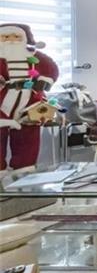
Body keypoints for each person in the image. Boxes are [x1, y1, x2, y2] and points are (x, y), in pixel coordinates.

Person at [0, 23, 59, 169]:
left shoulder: (35, 57)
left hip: (29, 104)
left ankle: (24, 170)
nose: (11, 40)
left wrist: (45, 81)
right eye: (6, 37)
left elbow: (50, 68)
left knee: (27, 139)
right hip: (2, 105)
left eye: (16, 36)